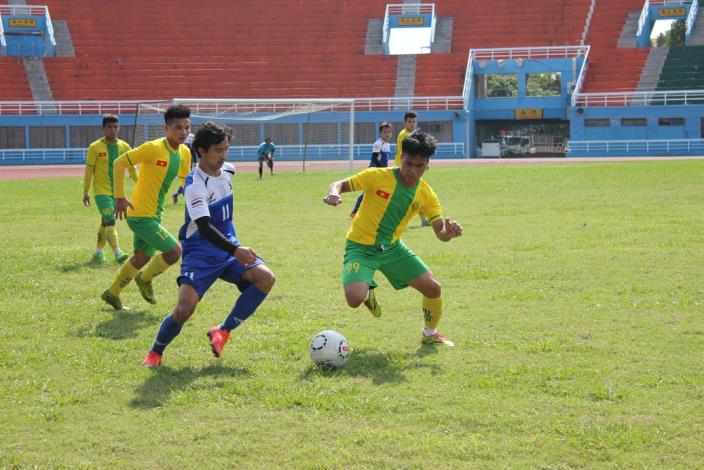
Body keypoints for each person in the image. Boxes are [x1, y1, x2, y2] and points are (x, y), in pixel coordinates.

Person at [142, 122, 276, 367]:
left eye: (226, 150)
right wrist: (236, 250)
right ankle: (155, 353)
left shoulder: (229, 170)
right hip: (200, 253)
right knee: (184, 309)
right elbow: (204, 227)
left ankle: (222, 331)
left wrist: (234, 249)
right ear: (201, 151)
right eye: (218, 151)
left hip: (228, 247)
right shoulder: (194, 185)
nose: (223, 156)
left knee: (265, 278)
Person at [323, 130, 463, 347]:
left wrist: (449, 233)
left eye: (419, 166)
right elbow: (339, 183)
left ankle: (430, 333)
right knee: (354, 299)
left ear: (427, 165)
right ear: (400, 157)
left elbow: (440, 235)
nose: (411, 171)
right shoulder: (378, 176)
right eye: (408, 163)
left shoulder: (426, 194)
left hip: (392, 249)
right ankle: (367, 293)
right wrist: (334, 193)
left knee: (434, 288)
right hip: (360, 247)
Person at [100, 105, 193, 311]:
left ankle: (112, 293)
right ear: (166, 128)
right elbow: (118, 163)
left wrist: (197, 201)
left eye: (187, 127)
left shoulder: (185, 152)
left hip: (154, 214)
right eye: (178, 127)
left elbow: (186, 180)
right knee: (174, 252)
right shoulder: (153, 148)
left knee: (142, 257)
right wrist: (119, 197)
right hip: (140, 215)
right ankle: (144, 279)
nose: (183, 132)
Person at [82, 114, 136, 263]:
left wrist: (139, 184)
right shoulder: (95, 147)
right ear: (103, 129)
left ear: (119, 128)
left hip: (117, 194)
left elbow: (132, 169)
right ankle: (118, 253)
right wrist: (85, 192)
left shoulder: (124, 147)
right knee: (111, 220)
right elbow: (88, 172)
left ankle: (98, 253)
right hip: (101, 193)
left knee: (105, 222)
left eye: (115, 126)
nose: (113, 130)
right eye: (109, 127)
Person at [350, 121, 393, 219]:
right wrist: (382, 170)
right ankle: (354, 212)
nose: (387, 134)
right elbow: (374, 158)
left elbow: (384, 159)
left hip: (381, 172)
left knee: (379, 191)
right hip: (374, 171)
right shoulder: (378, 144)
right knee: (367, 192)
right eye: (385, 132)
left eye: (389, 132)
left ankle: (379, 211)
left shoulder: (387, 144)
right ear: (380, 133)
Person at [394, 111, 429, 227]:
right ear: (405, 123)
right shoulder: (405, 135)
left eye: (414, 122)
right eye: (409, 122)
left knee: (416, 193)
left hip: (409, 168)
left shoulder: (412, 134)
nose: (412, 124)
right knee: (408, 196)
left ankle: (424, 220)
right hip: (404, 169)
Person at [172, 132, 196, 204]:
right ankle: (187, 198)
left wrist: (195, 161)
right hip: (181, 160)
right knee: (186, 180)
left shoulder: (192, 137)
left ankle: (176, 195)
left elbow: (193, 150)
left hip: (189, 160)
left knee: (186, 180)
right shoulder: (178, 135)